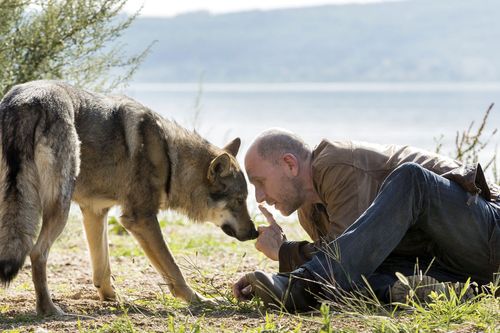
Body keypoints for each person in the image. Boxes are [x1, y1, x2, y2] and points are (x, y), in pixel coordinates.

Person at [233, 128, 500, 312]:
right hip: (455, 267)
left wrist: (285, 253)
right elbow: (349, 259)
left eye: (260, 182)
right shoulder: (310, 211)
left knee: (412, 179)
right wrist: (285, 255)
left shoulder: (334, 164)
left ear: (290, 164)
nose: (259, 197)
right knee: (354, 269)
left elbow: (341, 255)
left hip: (488, 236)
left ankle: (300, 287)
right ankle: (419, 291)